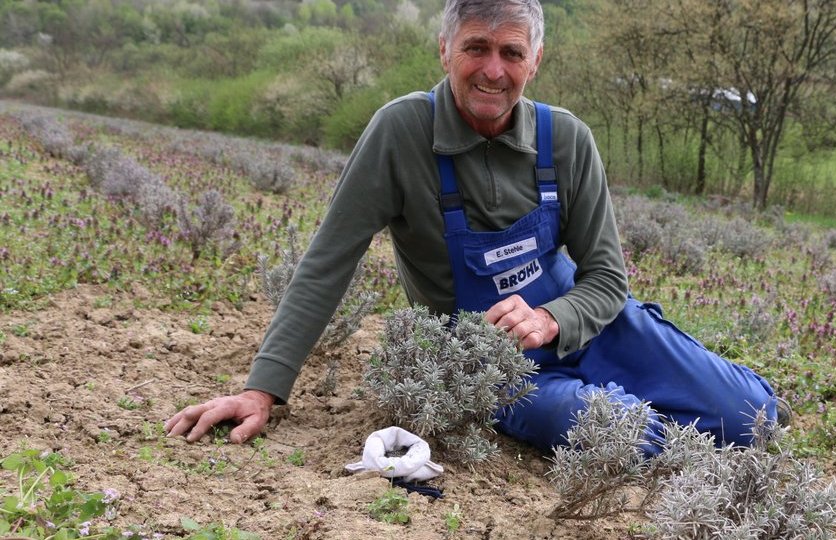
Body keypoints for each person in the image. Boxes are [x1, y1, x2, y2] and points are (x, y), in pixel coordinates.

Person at [165, 0, 781, 452]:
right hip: (486, 364)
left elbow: (607, 278)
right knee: (623, 432)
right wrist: (264, 388)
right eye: (476, 48)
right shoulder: (400, 132)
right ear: (445, 50)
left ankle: (661, 397)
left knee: (754, 413)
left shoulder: (565, 138)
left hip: (586, 325)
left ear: (534, 61)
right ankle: (649, 426)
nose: (493, 70)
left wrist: (550, 319)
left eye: (511, 52)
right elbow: (328, 262)